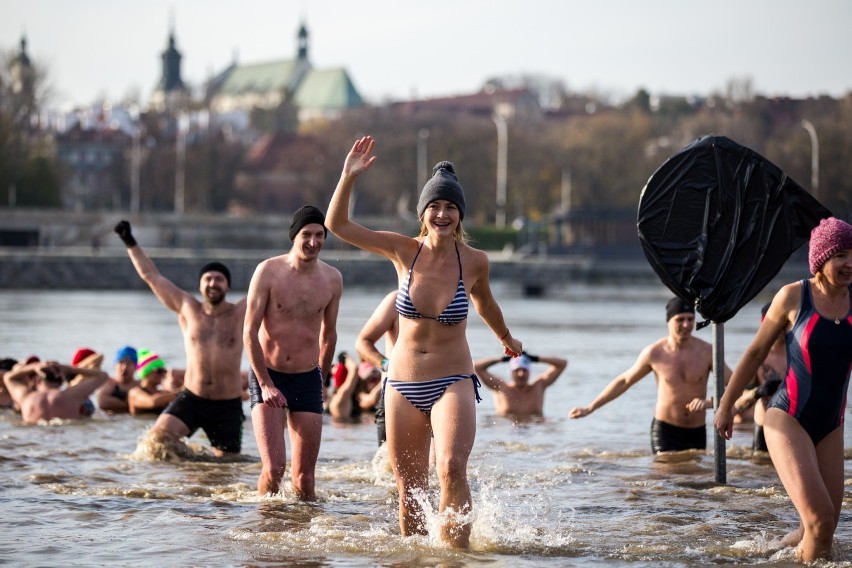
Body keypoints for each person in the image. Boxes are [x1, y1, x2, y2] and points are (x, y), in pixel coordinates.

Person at [326, 135, 523, 548]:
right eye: (435, 205)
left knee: (451, 467)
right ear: (423, 212)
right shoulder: (402, 250)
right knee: (410, 490)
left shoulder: (475, 261)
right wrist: (347, 177)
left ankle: (457, 556)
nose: (442, 213)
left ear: (460, 214)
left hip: (452, 379)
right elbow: (338, 226)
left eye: (450, 206)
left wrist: (506, 338)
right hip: (401, 384)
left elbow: (486, 304)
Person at [714, 217, 852, 562]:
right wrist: (726, 404)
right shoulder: (793, 296)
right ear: (820, 261)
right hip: (787, 418)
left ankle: (770, 554)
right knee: (820, 521)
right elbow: (756, 352)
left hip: (831, 425)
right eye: (841, 256)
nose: (850, 263)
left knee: (822, 527)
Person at [115, 220, 247, 457]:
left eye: (219, 279)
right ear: (200, 284)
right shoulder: (188, 308)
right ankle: (187, 469)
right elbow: (151, 277)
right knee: (154, 444)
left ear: (228, 285)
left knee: (228, 467)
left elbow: (269, 288)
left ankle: (200, 467)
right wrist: (130, 242)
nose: (213, 284)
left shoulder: (240, 313)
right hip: (192, 398)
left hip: (228, 404)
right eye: (208, 279)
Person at [243, 205, 342, 500]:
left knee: (304, 479)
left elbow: (329, 333)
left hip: (307, 378)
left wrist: (321, 379)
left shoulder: (332, 278)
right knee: (274, 468)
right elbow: (249, 331)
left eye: (319, 235)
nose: (313, 242)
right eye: (306, 235)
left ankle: (304, 538)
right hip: (269, 375)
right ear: (294, 236)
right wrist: (265, 384)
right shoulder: (268, 271)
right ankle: (265, 525)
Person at [570, 296, 731, 453]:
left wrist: (711, 402)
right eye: (680, 319)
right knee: (663, 476)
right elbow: (624, 381)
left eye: (690, 319)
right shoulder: (655, 352)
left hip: (697, 430)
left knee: (694, 477)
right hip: (665, 429)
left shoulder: (708, 351)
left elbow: (736, 384)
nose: (686, 324)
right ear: (668, 321)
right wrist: (590, 408)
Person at [731, 303, 785, 452]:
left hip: (793, 424)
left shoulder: (799, 352)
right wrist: (758, 392)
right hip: (764, 426)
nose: (780, 328)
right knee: (760, 471)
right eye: (776, 323)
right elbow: (737, 402)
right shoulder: (756, 358)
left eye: (784, 322)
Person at [3, 355, 108, 423]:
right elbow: (102, 376)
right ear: (62, 380)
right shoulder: (71, 395)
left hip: (34, 438)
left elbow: (8, 377)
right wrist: (69, 369)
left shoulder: (26, 398)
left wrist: (35, 367)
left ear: (37, 381)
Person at [355, 290, 400, 446]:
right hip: (394, 392)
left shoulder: (451, 298)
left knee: (439, 464)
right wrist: (385, 364)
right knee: (389, 467)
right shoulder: (396, 300)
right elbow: (362, 342)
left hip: (439, 391)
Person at [474, 351, 567, 418]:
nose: (521, 374)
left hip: (535, 434)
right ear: (511, 372)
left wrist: (535, 358)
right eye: (517, 370)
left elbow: (562, 363)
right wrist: (502, 359)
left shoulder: (538, 386)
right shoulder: (502, 388)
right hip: (506, 435)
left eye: (524, 370)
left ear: (529, 371)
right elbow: (477, 367)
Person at [328, 355, 382, 421]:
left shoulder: (354, 398)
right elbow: (354, 369)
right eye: (373, 379)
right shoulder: (339, 400)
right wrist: (345, 356)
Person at [128, 349, 177, 416]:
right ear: (146, 373)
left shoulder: (163, 393)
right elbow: (152, 402)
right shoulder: (134, 393)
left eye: (164, 371)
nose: (162, 374)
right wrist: (179, 394)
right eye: (159, 371)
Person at [96, 346, 139, 414]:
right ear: (115, 365)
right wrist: (132, 404)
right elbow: (102, 402)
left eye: (129, 363)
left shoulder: (140, 385)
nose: (124, 367)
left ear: (136, 367)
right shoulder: (109, 384)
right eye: (121, 362)